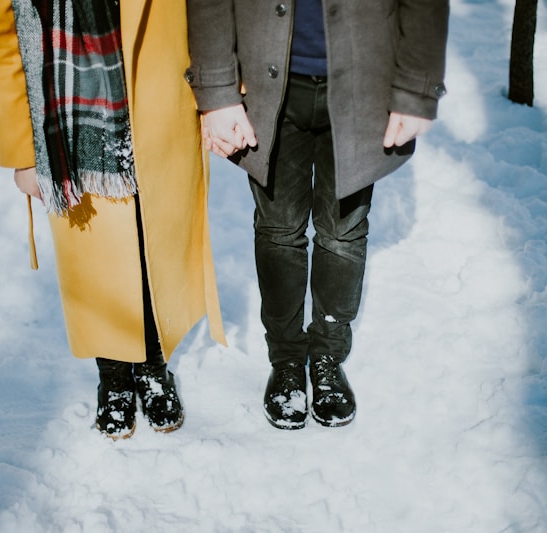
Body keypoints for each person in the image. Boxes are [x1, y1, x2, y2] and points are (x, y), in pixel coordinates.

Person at [186, 0, 448, 429]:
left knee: (343, 231)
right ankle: (287, 360)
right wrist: (216, 91)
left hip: (366, 84)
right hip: (268, 84)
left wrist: (417, 88)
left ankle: (327, 354)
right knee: (278, 230)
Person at [0, 0, 225, 440]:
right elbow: (2, 42)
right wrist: (21, 152)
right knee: (98, 255)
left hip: (159, 102)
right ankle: (113, 376)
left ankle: (153, 364)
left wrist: (220, 94)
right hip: (68, 116)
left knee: (151, 240)